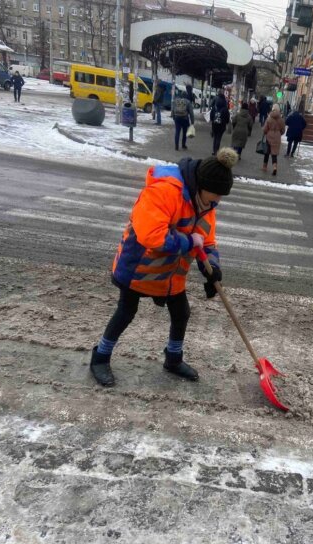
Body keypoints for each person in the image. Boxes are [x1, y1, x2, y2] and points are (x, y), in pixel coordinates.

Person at [90, 147, 239, 387]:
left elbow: (207, 241)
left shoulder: (206, 205)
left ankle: (173, 359)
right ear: (201, 185)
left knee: (181, 313)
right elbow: (151, 235)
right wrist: (189, 242)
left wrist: (212, 266)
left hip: (170, 274)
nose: (217, 202)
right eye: (215, 195)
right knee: (125, 313)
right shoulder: (164, 191)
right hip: (138, 267)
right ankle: (100, 357)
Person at [261, 103, 285, 176]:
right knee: (274, 154)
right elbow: (283, 130)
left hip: (269, 136)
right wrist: (279, 133)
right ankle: (274, 167)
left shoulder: (269, 118)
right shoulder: (281, 119)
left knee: (267, 152)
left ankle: (264, 167)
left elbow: (265, 129)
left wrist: (265, 132)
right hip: (277, 137)